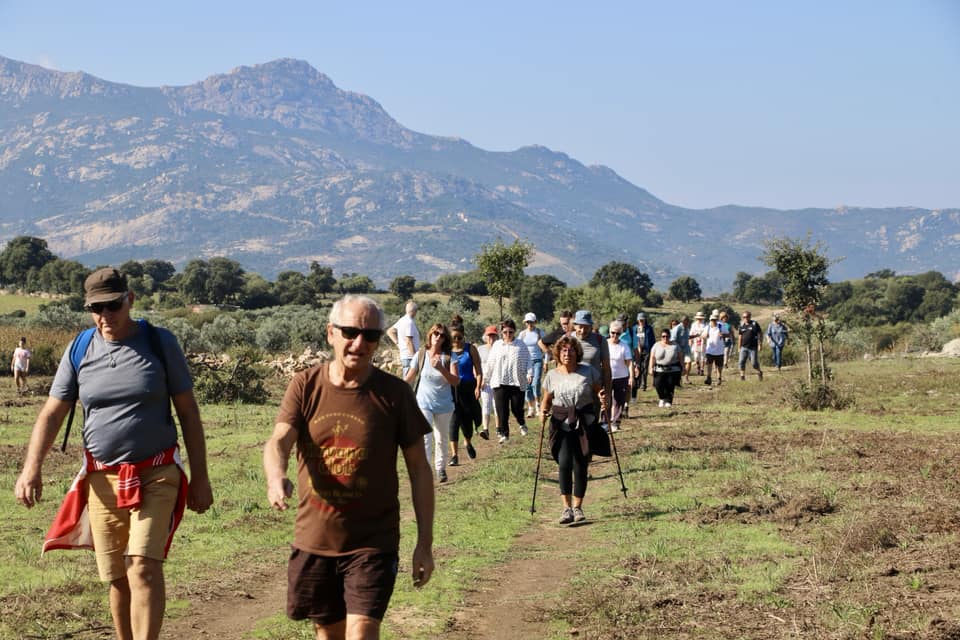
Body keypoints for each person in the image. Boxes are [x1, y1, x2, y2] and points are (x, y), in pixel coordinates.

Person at [14, 267, 213, 640]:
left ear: (130, 300)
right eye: (96, 309)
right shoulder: (80, 348)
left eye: (113, 306)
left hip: (157, 474)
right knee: (118, 578)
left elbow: (188, 411)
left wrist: (200, 477)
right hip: (102, 480)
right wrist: (31, 469)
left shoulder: (159, 343)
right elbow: (52, 412)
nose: (105, 316)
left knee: (142, 566)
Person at [264, 294, 435, 640]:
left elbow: (419, 469)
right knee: (329, 634)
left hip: (373, 542)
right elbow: (279, 440)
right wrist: (275, 476)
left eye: (370, 335)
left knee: (362, 632)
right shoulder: (305, 386)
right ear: (331, 333)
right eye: (350, 332)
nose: (359, 343)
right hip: (315, 541)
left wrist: (425, 543)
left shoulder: (395, 394)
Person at [539, 335, 605, 524]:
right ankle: (566, 508)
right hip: (561, 422)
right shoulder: (552, 375)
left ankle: (578, 507)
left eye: (571, 350)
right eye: (564, 350)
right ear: (558, 354)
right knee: (565, 462)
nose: (567, 354)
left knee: (581, 463)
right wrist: (543, 412)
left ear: (577, 353)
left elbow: (598, 390)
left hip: (584, 421)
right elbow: (547, 398)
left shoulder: (588, 371)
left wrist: (602, 397)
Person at [405, 323, 460, 483]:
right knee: (425, 437)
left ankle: (440, 469)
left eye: (442, 335)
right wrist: (397, 390)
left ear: (445, 339)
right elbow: (410, 377)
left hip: (444, 405)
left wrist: (442, 369)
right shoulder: (421, 354)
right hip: (423, 403)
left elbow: (456, 381)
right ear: (430, 335)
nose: (438, 337)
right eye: (435, 333)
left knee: (441, 438)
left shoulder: (449, 356)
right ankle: (425, 471)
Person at [484, 319, 531, 444]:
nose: (508, 334)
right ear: (501, 333)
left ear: (514, 332)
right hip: (499, 382)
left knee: (516, 408)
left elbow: (528, 360)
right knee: (501, 410)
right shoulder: (497, 345)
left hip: (517, 382)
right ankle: (504, 433)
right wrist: (485, 379)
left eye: (510, 332)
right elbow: (490, 363)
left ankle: (522, 423)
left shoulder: (521, 345)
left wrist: (529, 373)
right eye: (505, 332)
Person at [448, 321, 483, 466]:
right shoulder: (446, 351)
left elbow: (479, 370)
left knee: (468, 421)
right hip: (453, 389)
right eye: (453, 338)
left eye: (459, 337)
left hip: (469, 388)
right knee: (454, 421)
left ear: (463, 336)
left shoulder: (471, 349)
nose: (456, 341)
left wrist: (478, 387)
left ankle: (468, 442)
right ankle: (454, 455)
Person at [572, 310, 612, 426]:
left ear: (591, 326)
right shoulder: (568, 339)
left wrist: (608, 394)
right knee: (573, 425)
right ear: (575, 325)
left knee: (591, 424)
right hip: (572, 390)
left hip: (594, 390)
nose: (583, 330)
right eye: (580, 327)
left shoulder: (600, 341)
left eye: (586, 327)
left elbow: (606, 369)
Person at [519, 312, 547, 417]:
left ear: (535, 322)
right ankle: (530, 408)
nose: (529, 324)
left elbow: (546, 348)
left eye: (531, 322)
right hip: (526, 362)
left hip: (537, 360)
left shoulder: (540, 333)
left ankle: (538, 406)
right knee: (527, 385)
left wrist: (546, 361)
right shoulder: (522, 334)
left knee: (535, 383)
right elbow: (519, 348)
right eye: (527, 322)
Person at [606, 320, 633, 432]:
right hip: (607, 376)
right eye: (613, 333)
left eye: (617, 333)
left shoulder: (624, 346)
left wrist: (631, 377)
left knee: (619, 401)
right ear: (609, 332)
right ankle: (605, 422)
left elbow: (629, 362)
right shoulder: (604, 343)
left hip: (621, 376)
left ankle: (615, 422)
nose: (615, 336)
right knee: (606, 400)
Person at [475, 325, 499, 440]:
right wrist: (478, 380)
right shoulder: (481, 349)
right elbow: (476, 365)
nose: (491, 338)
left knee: (497, 405)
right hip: (485, 382)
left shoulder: (500, 348)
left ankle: (499, 429)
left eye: (493, 335)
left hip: (497, 381)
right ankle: (485, 429)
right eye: (489, 335)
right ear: (485, 336)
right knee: (486, 405)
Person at [386, 301, 420, 377]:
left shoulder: (402, 320)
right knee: (409, 384)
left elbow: (390, 331)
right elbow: (409, 341)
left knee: (408, 382)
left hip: (405, 356)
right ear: (415, 311)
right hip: (410, 357)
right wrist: (415, 358)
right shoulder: (409, 322)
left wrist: (398, 344)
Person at [650, 328, 682, 407]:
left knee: (670, 385)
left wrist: (683, 367)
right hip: (659, 369)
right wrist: (650, 368)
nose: (665, 338)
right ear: (661, 337)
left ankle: (668, 401)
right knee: (658, 384)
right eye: (663, 336)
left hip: (672, 369)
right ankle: (662, 398)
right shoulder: (656, 345)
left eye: (667, 336)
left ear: (670, 336)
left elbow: (680, 356)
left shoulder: (675, 345)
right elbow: (652, 357)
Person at [738, 310, 764, 381]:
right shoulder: (741, 325)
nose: (745, 318)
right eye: (744, 317)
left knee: (754, 363)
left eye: (747, 317)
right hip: (744, 347)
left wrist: (760, 344)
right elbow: (740, 337)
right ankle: (742, 376)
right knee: (741, 362)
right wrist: (739, 347)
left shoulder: (754, 324)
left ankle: (759, 372)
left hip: (753, 347)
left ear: (750, 317)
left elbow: (760, 333)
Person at [633, 313, 655, 393]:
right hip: (636, 350)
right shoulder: (634, 328)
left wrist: (653, 350)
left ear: (645, 319)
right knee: (637, 366)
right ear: (637, 320)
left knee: (645, 367)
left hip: (646, 350)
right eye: (640, 320)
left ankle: (643, 384)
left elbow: (652, 340)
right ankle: (637, 383)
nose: (641, 321)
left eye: (642, 319)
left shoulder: (649, 329)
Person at [703, 311, 726, 386]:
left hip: (719, 350)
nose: (713, 321)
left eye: (714, 320)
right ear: (710, 320)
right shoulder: (707, 327)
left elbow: (728, 334)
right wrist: (705, 336)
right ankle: (708, 377)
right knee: (709, 364)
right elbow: (702, 336)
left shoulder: (721, 326)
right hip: (710, 350)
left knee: (719, 365)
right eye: (712, 320)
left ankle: (719, 378)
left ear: (717, 320)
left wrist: (723, 335)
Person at [671, 316, 692, 385]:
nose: (688, 323)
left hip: (686, 348)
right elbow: (673, 339)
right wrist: (676, 349)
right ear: (683, 321)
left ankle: (686, 378)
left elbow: (687, 337)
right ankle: (678, 379)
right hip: (679, 349)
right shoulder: (677, 328)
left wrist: (695, 336)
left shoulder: (687, 328)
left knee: (689, 362)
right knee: (679, 365)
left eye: (688, 321)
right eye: (687, 321)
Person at [689, 311, 708, 376]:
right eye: (698, 318)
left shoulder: (705, 324)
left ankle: (702, 369)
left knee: (703, 357)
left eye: (700, 318)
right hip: (695, 342)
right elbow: (691, 334)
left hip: (703, 341)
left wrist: (703, 336)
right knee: (696, 357)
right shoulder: (693, 324)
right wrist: (690, 342)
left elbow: (706, 333)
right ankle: (698, 367)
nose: (699, 319)